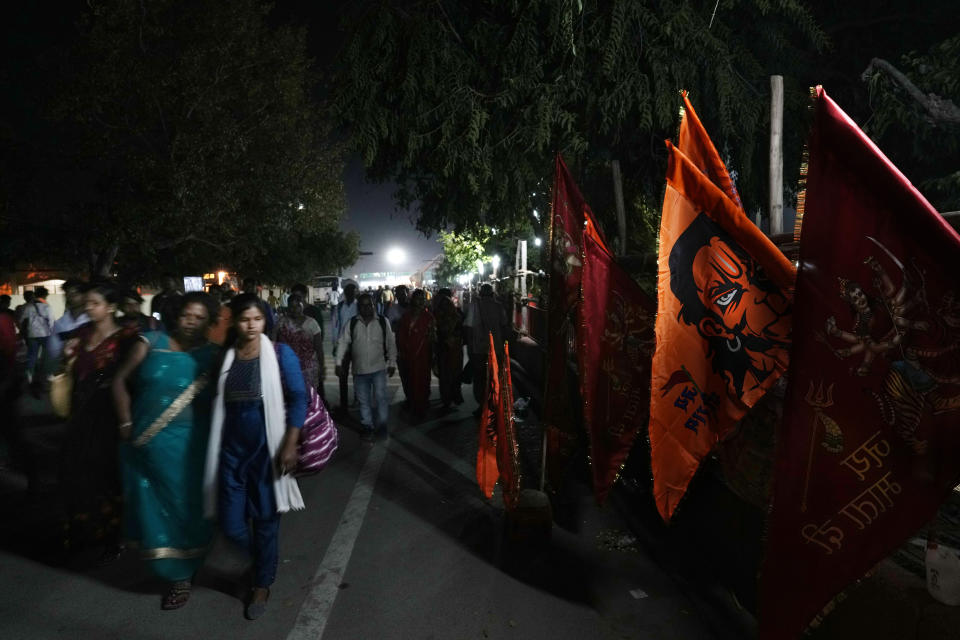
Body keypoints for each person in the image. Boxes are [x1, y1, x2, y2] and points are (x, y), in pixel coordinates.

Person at [112, 292, 220, 610]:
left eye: (200, 317)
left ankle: (182, 574)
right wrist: (124, 423)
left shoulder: (212, 355)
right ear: (177, 314)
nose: (192, 321)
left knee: (185, 509)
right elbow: (119, 381)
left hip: (192, 448)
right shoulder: (150, 341)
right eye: (188, 314)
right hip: (145, 442)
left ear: (208, 322)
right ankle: (173, 569)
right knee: (152, 509)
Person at [203, 294, 306, 620]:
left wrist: (290, 442)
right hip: (232, 452)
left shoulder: (279, 353)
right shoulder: (228, 356)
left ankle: (262, 583)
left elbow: (299, 396)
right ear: (234, 321)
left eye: (257, 319)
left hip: (267, 451)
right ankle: (263, 561)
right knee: (232, 525)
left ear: (265, 321)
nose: (250, 324)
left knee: (265, 523)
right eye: (244, 318)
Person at [58, 281, 139, 560]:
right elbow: (69, 369)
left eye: (95, 303)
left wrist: (128, 419)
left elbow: (133, 379)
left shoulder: (128, 339)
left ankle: (112, 536)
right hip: (81, 412)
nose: (89, 307)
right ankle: (82, 531)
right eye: (88, 303)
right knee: (76, 473)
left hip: (109, 414)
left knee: (106, 474)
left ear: (112, 307)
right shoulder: (80, 335)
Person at [335, 293, 396, 441]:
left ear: (374, 305)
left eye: (369, 304)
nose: (366, 307)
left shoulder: (383, 321)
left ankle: (382, 426)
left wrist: (392, 363)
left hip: (379, 368)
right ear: (359, 307)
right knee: (364, 401)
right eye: (362, 305)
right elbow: (343, 342)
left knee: (381, 399)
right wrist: (338, 362)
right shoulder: (352, 323)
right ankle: (367, 426)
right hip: (359, 370)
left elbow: (390, 343)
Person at [464, 283, 509, 415]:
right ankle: (494, 406)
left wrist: (469, 347)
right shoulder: (499, 306)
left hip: (479, 348)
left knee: (480, 379)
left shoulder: (475, 305)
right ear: (492, 294)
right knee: (494, 377)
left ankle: (482, 406)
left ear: (480, 293)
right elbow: (505, 326)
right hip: (496, 348)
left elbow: (469, 327)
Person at [396, 289, 435, 419]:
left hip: (424, 356)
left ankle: (422, 405)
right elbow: (401, 337)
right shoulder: (406, 317)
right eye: (419, 298)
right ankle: (414, 404)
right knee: (411, 380)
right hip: (409, 356)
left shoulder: (429, 317)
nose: (421, 301)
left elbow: (433, 338)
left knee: (424, 380)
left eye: (423, 298)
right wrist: (402, 351)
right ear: (413, 300)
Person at [276, 293, 325, 393]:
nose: (294, 309)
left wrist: (322, 367)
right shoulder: (282, 323)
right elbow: (277, 346)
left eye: (297, 306)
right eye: (291, 307)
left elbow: (319, 348)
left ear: (302, 305)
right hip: (289, 368)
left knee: (309, 398)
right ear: (288, 307)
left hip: (309, 368)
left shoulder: (312, 323)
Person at [45, 280, 89, 377]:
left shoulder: (92, 320)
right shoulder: (60, 324)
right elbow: (53, 351)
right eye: (67, 293)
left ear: (85, 295)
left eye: (75, 293)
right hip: (68, 373)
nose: (70, 296)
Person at [433, 288, 465, 410]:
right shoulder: (456, 314)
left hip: (445, 348)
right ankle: (454, 396)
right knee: (454, 373)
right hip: (453, 348)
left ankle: (447, 398)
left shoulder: (437, 312)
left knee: (446, 375)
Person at [332, 282, 358, 414]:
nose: (351, 294)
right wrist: (335, 343)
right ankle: (344, 404)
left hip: (358, 345)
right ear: (345, 293)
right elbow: (335, 326)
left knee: (358, 374)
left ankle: (358, 399)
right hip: (344, 345)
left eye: (353, 292)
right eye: (348, 292)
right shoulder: (340, 307)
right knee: (343, 375)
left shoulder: (360, 306)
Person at [22, 286, 53, 387]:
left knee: (32, 355)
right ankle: (48, 375)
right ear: (45, 296)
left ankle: (30, 374)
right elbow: (51, 322)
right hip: (45, 334)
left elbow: (23, 320)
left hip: (32, 335)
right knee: (47, 355)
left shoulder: (29, 307)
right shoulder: (47, 307)